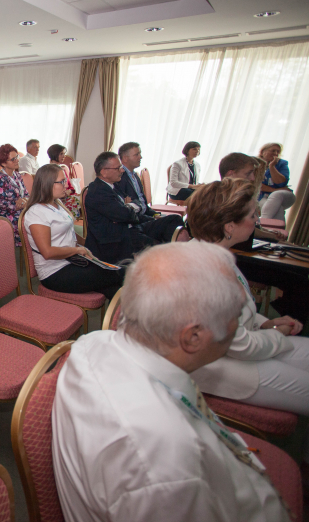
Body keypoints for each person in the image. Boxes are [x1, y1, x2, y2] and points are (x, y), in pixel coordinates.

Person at [53, 241, 291, 522]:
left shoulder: (94, 342)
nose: (241, 325)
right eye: (238, 316)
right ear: (193, 337)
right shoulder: (167, 465)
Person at [187, 179, 309, 434]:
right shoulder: (208, 270)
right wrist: (278, 334)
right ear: (230, 226)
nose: (257, 221)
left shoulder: (211, 252)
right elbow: (239, 345)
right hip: (219, 365)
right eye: (253, 215)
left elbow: (237, 311)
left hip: (238, 343)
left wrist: (265, 322)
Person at [24, 164, 123, 299]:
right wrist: (77, 250)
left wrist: (85, 246)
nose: (66, 185)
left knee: (113, 285)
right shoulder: (36, 213)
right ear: (47, 184)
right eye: (62, 181)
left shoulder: (57, 203)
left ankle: (127, 317)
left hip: (71, 261)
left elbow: (67, 232)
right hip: (54, 273)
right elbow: (47, 252)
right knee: (119, 273)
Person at [85, 152, 180, 264]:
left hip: (130, 226)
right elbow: (125, 214)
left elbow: (135, 205)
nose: (122, 170)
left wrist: (147, 216)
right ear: (104, 172)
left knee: (174, 219)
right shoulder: (98, 191)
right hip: (116, 238)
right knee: (160, 248)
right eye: (118, 168)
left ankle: (177, 260)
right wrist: (129, 208)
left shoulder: (113, 186)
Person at [0, 144, 28, 246]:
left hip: (21, 211)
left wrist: (24, 201)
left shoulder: (17, 175)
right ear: (3, 163)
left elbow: (27, 195)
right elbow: (1, 205)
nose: (17, 160)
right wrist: (20, 204)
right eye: (13, 159)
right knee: (34, 223)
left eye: (17, 157)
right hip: (6, 217)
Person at [257, 143, 295, 222]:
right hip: (262, 197)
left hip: (283, 196)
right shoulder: (255, 163)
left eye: (278, 151)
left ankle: (263, 224)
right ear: (262, 152)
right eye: (273, 150)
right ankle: (277, 232)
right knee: (276, 209)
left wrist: (272, 166)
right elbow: (256, 185)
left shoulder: (282, 164)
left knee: (276, 195)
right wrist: (275, 190)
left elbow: (281, 182)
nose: (276, 153)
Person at [46, 144, 80, 218]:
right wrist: (64, 193)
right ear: (54, 154)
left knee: (82, 199)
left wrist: (69, 191)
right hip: (57, 199)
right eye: (61, 154)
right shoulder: (48, 171)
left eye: (64, 154)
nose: (64, 156)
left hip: (65, 196)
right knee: (76, 201)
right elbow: (48, 191)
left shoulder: (62, 169)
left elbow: (71, 187)